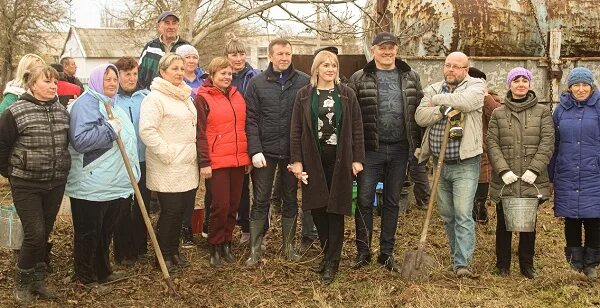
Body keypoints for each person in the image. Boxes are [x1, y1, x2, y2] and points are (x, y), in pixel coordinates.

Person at [348, 32, 423, 272]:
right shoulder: (360, 78)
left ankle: (386, 253)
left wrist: (419, 144)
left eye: (391, 48)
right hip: (370, 150)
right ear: (374, 50)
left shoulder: (411, 76)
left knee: (392, 202)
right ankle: (363, 252)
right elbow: (352, 117)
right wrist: (354, 151)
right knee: (363, 200)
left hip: (401, 149)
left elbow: (419, 112)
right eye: (382, 48)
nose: (387, 52)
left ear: (397, 50)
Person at [290, 50, 365, 284]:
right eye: (325, 65)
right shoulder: (304, 95)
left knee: (335, 209)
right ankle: (327, 253)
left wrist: (357, 159)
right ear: (316, 69)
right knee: (317, 208)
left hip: (340, 159)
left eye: (333, 65)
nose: (330, 69)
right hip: (313, 160)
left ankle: (333, 261)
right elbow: (296, 131)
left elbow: (357, 128)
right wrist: (297, 161)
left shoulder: (346, 95)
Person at [66, 64, 140, 286]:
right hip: (91, 183)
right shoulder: (85, 104)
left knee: (105, 231)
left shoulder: (112, 103)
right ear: (96, 80)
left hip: (113, 182)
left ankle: (103, 271)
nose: (111, 83)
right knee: (88, 233)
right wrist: (109, 129)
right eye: (107, 79)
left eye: (114, 79)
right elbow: (80, 141)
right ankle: (83, 276)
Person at [0, 65, 70, 303]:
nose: (53, 86)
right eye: (47, 82)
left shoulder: (61, 110)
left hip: (55, 182)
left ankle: (38, 281)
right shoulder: (15, 111)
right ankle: (22, 284)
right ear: (32, 84)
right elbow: (2, 146)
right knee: (35, 233)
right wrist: (11, 173)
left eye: (55, 82)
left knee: (45, 231)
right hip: (26, 183)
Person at [415, 51, 485, 278]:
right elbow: (420, 117)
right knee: (447, 214)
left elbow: (466, 102)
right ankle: (457, 257)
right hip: (439, 162)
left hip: (465, 163)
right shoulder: (434, 87)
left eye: (456, 66)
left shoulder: (476, 85)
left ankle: (462, 264)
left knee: (463, 213)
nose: (451, 70)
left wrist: (437, 102)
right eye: (448, 65)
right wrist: (444, 110)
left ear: (466, 69)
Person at [245, 38, 310, 266]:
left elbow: (307, 119)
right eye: (280, 54)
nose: (284, 58)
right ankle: (255, 249)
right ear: (270, 56)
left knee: (290, 198)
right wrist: (254, 150)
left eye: (287, 54)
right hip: (266, 152)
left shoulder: (303, 81)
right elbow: (251, 119)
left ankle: (289, 246)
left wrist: (302, 153)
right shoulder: (257, 83)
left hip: (293, 153)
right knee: (261, 199)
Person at [487, 67, 554, 279]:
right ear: (509, 85)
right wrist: (503, 169)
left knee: (528, 225)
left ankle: (527, 265)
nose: (520, 84)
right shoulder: (498, 113)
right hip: (505, 179)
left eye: (524, 80)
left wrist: (535, 169)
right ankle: (502, 265)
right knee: (503, 224)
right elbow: (492, 143)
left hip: (530, 179)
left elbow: (547, 142)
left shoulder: (542, 112)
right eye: (516, 80)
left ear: (529, 84)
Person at [139, 53, 198, 273]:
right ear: (163, 72)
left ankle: (174, 251)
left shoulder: (184, 95)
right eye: (175, 69)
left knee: (182, 210)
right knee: (170, 210)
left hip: (186, 163)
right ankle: (161, 256)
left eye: (182, 69)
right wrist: (166, 153)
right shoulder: (155, 98)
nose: (180, 73)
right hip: (168, 164)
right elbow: (147, 130)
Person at [195, 57, 251, 266]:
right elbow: (200, 132)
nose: (227, 77)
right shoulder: (203, 98)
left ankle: (227, 241)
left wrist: (246, 156)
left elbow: (243, 127)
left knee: (234, 204)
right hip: (216, 160)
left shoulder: (238, 96)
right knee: (220, 204)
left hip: (237, 159)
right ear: (212, 75)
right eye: (222, 74)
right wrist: (204, 161)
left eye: (229, 74)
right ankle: (215, 244)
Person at [550, 67, 600, 279]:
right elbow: (554, 144)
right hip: (567, 172)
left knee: (594, 219)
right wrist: (551, 175)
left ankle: (591, 264)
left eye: (585, 85)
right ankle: (574, 263)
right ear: (569, 88)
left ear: (592, 86)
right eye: (576, 85)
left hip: (593, 173)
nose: (581, 89)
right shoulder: (561, 110)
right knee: (571, 219)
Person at [112, 57, 151, 265]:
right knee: (122, 206)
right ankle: (122, 250)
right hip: (121, 162)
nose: (131, 78)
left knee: (142, 203)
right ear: (118, 76)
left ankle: (140, 247)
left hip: (143, 160)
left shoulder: (145, 97)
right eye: (127, 74)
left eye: (134, 74)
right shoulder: (112, 100)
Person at [224, 38, 261, 244]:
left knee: (260, 188)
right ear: (227, 57)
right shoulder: (224, 78)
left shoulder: (255, 76)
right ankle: (245, 229)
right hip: (233, 141)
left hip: (253, 136)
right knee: (240, 190)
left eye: (241, 54)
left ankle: (260, 230)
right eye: (233, 55)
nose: (238, 59)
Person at [174, 44, 204, 248]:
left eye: (194, 57)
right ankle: (177, 229)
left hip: (201, 137)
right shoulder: (175, 80)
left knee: (194, 187)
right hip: (180, 139)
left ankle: (191, 227)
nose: (191, 61)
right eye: (187, 57)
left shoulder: (206, 79)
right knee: (178, 188)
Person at [469, 67, 502, 224]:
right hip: (464, 146)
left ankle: (480, 207)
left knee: (482, 175)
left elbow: (498, 116)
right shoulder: (461, 97)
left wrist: (486, 96)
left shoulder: (492, 99)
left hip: (483, 148)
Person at [137, 11, 190, 90]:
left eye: (174, 23)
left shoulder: (187, 47)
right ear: (159, 26)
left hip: (178, 96)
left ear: (178, 26)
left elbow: (193, 75)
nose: (171, 27)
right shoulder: (150, 47)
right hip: (152, 95)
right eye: (167, 23)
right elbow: (139, 74)